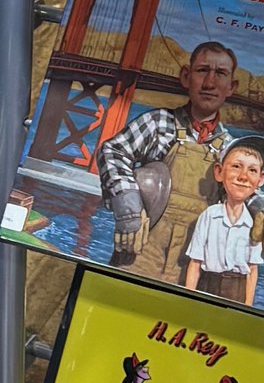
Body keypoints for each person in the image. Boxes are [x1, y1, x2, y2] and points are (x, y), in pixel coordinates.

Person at [98, 39, 245, 278]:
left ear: (231, 87)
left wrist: (262, 209)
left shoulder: (231, 149)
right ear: (186, 76)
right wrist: (128, 209)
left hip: (192, 269)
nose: (209, 82)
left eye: (220, 74)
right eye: (202, 70)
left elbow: (244, 191)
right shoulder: (157, 123)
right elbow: (113, 151)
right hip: (139, 254)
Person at [181, 137, 264, 307]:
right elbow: (195, 264)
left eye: (252, 170)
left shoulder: (254, 224)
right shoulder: (209, 217)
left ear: (261, 179)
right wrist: (188, 301)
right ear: (219, 172)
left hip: (237, 293)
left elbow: (252, 270)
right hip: (207, 287)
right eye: (236, 166)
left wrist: (247, 307)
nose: (243, 177)